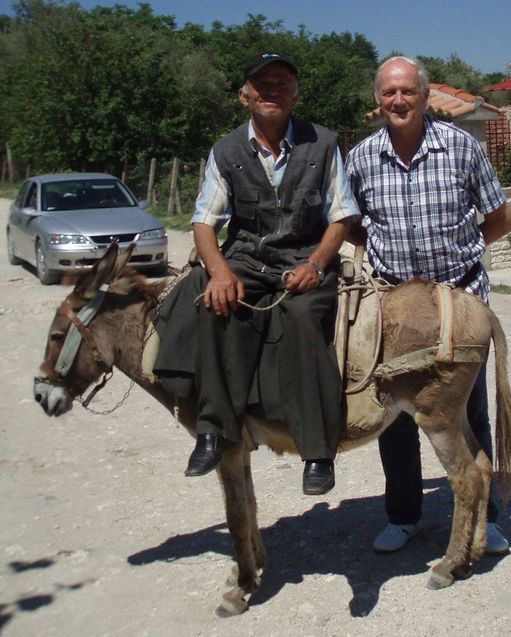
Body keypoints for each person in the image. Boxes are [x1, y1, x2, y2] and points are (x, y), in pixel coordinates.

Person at [153, 52, 359, 496]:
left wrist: (315, 263)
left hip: (305, 256)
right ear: (244, 95)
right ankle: (213, 430)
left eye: (282, 82)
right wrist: (220, 272)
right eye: (261, 84)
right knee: (214, 306)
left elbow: (341, 217)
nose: (272, 90)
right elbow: (205, 221)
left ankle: (318, 451)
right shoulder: (226, 150)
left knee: (304, 319)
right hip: (247, 258)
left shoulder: (323, 143)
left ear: (296, 93)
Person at [345, 56, 511, 552]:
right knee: (394, 417)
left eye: (407, 91)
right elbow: (351, 225)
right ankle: (404, 515)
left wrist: (464, 258)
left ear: (423, 95)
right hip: (393, 307)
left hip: (459, 299)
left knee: (470, 412)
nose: (398, 100)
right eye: (388, 92)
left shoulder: (462, 147)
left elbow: (500, 219)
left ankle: (487, 515)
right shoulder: (361, 157)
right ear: (378, 99)